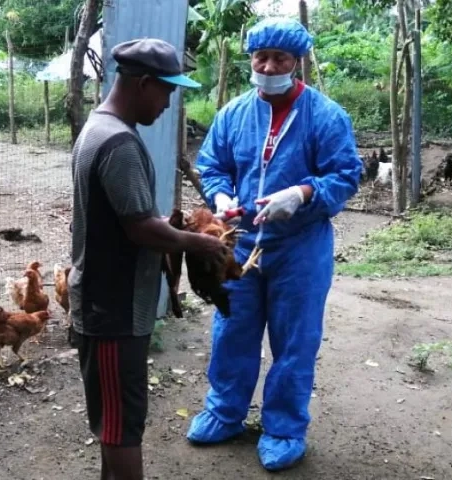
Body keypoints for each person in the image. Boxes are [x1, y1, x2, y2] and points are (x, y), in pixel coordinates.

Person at [185, 17, 363, 471]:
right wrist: (221, 195)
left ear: (296, 61)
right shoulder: (232, 114)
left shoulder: (325, 116)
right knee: (232, 330)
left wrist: (302, 194)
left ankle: (284, 427)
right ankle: (225, 411)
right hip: (238, 245)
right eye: (260, 57)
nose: (267, 66)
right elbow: (212, 165)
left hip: (300, 249)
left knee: (295, 340)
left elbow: (345, 176)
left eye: (279, 58)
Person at [68, 38, 228, 480]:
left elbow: (125, 217)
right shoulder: (118, 142)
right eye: (167, 90)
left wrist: (170, 225)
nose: (169, 102)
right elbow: (139, 229)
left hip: (108, 302)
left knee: (116, 420)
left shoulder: (99, 128)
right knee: (122, 426)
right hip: (112, 307)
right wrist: (199, 243)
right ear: (142, 84)